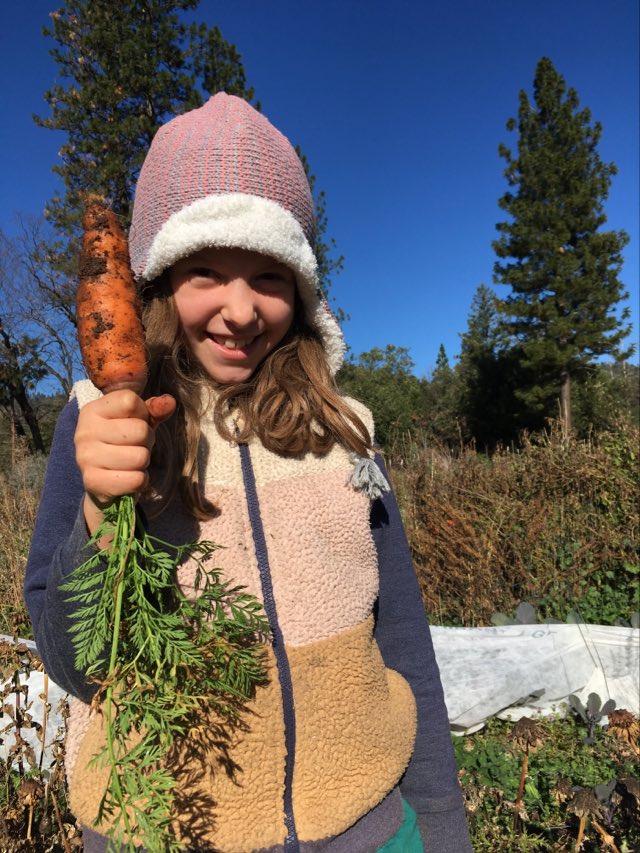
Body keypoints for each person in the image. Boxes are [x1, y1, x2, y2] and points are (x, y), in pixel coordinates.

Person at [24, 93, 472, 853]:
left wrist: (441, 826)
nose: (239, 309)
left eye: (267, 274)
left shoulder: (345, 431)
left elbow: (404, 640)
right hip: (159, 829)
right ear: (160, 281)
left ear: (299, 289)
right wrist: (102, 509)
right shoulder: (99, 421)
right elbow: (74, 663)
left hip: (364, 826)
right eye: (206, 270)